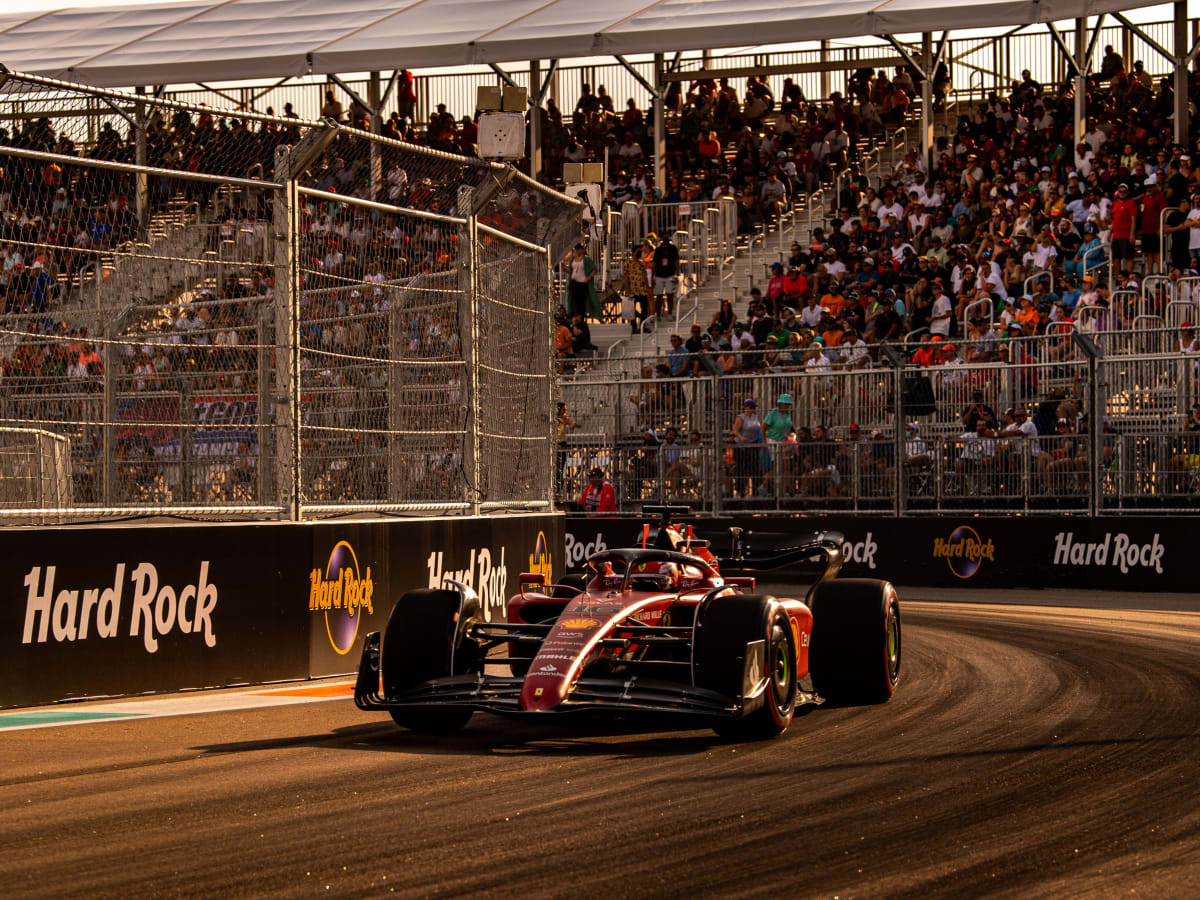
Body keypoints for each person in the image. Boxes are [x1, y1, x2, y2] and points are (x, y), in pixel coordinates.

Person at [651, 232, 680, 316]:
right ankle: (658, 314)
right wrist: (653, 276)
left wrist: (677, 273)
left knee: (670, 295)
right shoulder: (658, 250)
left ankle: (670, 313)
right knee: (659, 296)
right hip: (659, 275)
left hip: (670, 274)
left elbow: (677, 261)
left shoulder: (673, 248)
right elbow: (654, 263)